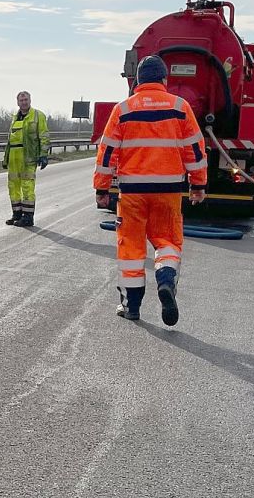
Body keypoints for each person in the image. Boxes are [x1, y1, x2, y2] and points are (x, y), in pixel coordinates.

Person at [94, 55, 207, 326]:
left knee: (131, 248)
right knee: (167, 241)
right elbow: (194, 148)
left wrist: (101, 188)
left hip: (132, 192)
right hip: (168, 191)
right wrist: (198, 184)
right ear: (164, 81)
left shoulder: (123, 110)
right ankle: (165, 279)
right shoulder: (180, 107)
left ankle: (131, 307)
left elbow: (107, 152)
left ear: (136, 82)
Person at [3, 91, 49, 227]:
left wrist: (43, 154)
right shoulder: (15, 117)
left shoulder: (37, 115)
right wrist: (6, 158)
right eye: (21, 100)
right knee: (13, 186)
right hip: (13, 157)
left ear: (30, 100)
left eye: (26, 100)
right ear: (17, 102)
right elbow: (10, 140)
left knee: (27, 186)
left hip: (28, 156)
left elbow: (44, 135)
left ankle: (28, 217)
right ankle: (17, 214)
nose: (24, 102)